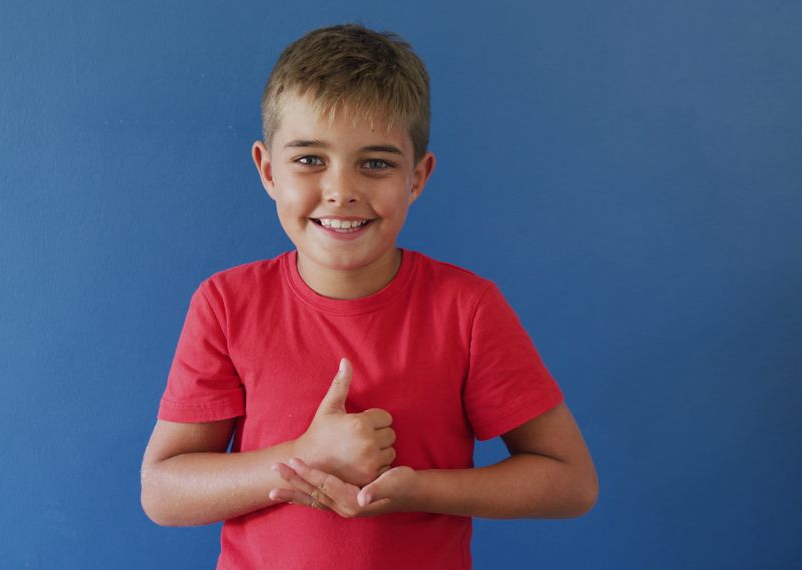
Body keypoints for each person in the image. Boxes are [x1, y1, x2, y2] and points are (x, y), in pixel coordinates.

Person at [140, 23, 598, 569]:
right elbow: (163, 492)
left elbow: (571, 481)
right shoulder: (226, 303)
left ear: (418, 176)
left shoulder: (466, 308)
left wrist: (418, 491)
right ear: (267, 169)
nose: (342, 189)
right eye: (310, 159)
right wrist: (303, 456)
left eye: (376, 163)